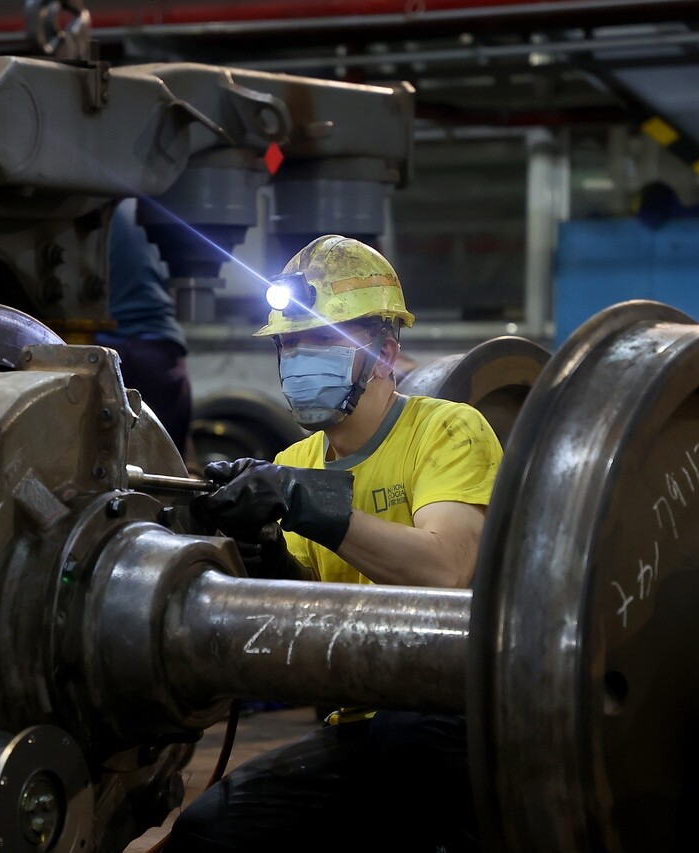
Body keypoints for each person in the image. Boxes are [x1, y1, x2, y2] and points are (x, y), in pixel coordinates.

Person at [165, 235, 503, 852]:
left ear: (384, 353)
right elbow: (312, 623)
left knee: (409, 753)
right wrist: (263, 554)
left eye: (320, 340)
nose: (298, 357)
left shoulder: (447, 430)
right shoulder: (297, 458)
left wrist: (304, 503)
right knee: (209, 833)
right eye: (288, 344)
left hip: (455, 715)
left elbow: (446, 571)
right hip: (358, 724)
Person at [97, 198, 192, 456]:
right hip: (159, 348)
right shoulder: (146, 207)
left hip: (105, 349)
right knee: (166, 460)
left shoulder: (91, 209)